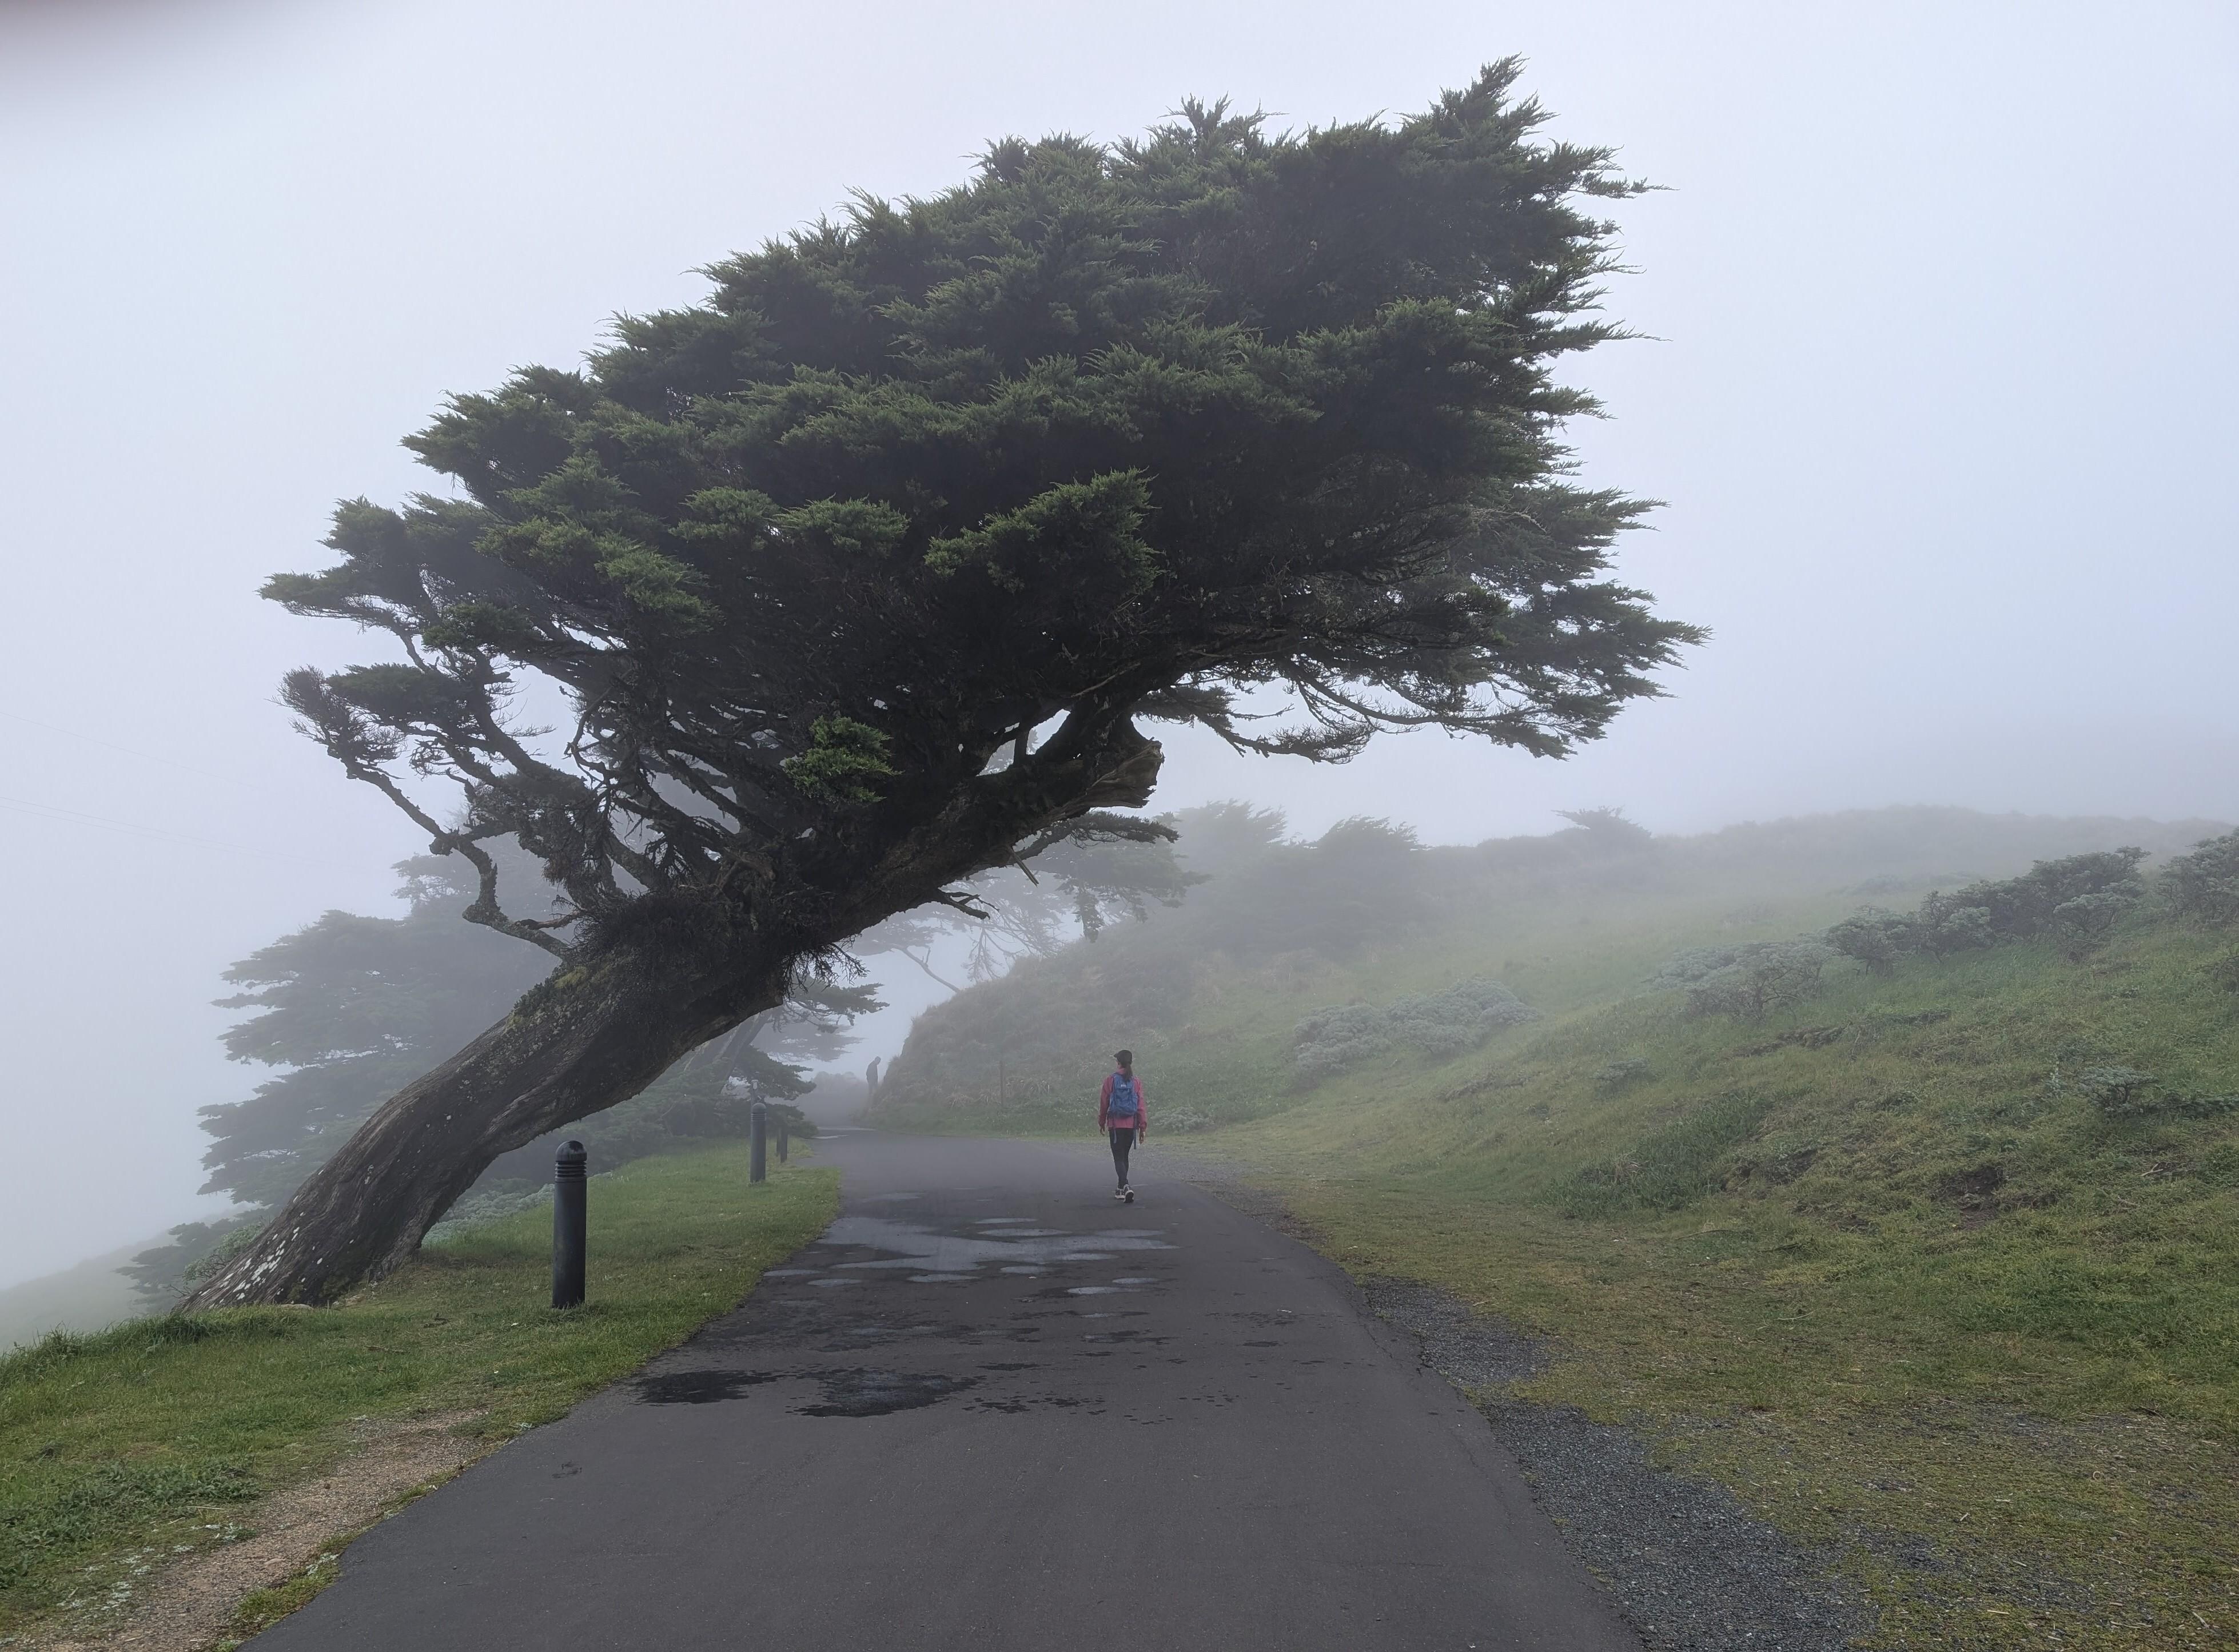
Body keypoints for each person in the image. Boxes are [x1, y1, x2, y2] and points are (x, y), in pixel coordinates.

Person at [1097, 1050, 1148, 1201]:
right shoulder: (1136, 1082)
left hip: (1115, 1125)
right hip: (1131, 1125)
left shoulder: (1110, 1080)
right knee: (1125, 1156)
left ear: (1118, 1063)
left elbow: (1104, 1103)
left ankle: (1125, 1185)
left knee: (1118, 1157)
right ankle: (1120, 1189)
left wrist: (1102, 1122)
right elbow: (1141, 1106)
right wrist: (1143, 1127)